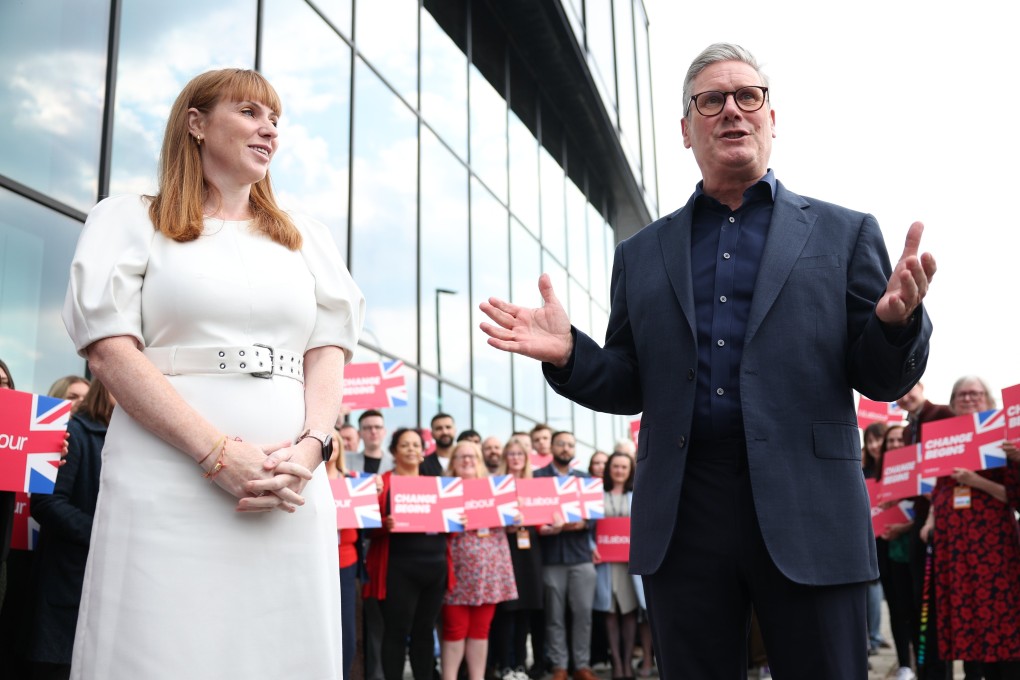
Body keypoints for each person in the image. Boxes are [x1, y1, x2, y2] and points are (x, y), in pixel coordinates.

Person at [479, 42, 935, 679]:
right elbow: (629, 381)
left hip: (810, 507)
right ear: (686, 129)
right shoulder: (641, 253)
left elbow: (881, 379)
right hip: (684, 513)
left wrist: (896, 324)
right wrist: (571, 354)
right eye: (712, 100)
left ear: (771, 118)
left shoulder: (844, 232)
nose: (732, 110)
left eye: (748, 96)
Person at [60, 68, 364, 678]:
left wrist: (311, 448)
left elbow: (328, 348)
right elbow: (110, 350)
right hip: (165, 478)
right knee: (159, 646)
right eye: (249, 112)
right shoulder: (128, 219)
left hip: (288, 484)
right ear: (196, 123)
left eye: (275, 119)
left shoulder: (306, 236)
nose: (268, 129)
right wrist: (217, 454)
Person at [920, 377, 1020, 678]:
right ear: (952, 402)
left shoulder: (1003, 438)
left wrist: (975, 481)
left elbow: (1014, 497)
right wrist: (930, 521)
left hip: (992, 544)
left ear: (987, 399)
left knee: (998, 612)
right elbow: (939, 489)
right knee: (965, 612)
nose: (968, 399)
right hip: (955, 544)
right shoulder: (945, 439)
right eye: (961, 394)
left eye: (975, 393)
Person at [29, 379, 113, 680]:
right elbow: (46, 502)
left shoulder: (137, 443)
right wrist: (102, 535)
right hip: (68, 589)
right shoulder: (74, 432)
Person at [364, 428, 452, 680]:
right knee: (396, 632)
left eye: (416, 445)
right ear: (394, 451)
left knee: (425, 631)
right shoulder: (382, 483)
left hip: (435, 570)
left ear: (423, 452)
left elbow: (450, 530)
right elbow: (365, 525)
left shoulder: (437, 485)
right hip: (397, 570)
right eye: (405, 445)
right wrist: (384, 524)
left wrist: (457, 520)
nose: (411, 449)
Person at [440, 441, 517, 680]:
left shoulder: (496, 489)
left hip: (490, 570)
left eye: (472, 456)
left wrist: (516, 517)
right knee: (454, 629)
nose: (467, 460)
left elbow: (510, 526)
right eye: (461, 456)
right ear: (452, 462)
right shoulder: (444, 490)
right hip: (456, 570)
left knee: (481, 630)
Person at [533, 431, 598, 680]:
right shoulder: (537, 478)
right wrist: (546, 526)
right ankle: (559, 666)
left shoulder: (585, 479)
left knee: (583, 614)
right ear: (551, 447)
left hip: (581, 557)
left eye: (570, 444)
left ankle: (582, 665)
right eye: (561, 443)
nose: (565, 448)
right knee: (554, 616)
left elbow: (594, 517)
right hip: (550, 557)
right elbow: (532, 513)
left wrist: (582, 524)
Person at [490, 439, 545, 680]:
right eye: (511, 454)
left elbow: (543, 521)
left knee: (525, 609)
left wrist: (553, 525)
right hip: (505, 549)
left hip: (530, 552)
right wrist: (505, 524)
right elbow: (487, 517)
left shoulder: (536, 485)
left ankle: (521, 664)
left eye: (519, 454)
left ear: (526, 458)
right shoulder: (496, 485)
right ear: (505, 458)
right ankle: (505, 665)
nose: (515, 458)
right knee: (507, 610)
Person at [593, 452, 642, 680]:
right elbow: (590, 527)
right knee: (610, 612)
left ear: (630, 470)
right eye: (615, 466)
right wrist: (591, 547)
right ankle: (617, 664)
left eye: (624, 467)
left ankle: (628, 662)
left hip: (629, 564)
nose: (619, 471)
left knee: (630, 612)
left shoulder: (637, 495)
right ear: (609, 469)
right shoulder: (597, 496)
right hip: (605, 563)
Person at [860, 421, 890, 657]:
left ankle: (875, 635)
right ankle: (870, 638)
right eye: (869, 441)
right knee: (872, 584)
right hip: (870, 537)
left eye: (878, 439)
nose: (873, 445)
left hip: (894, 537)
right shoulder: (862, 471)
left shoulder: (897, 466)